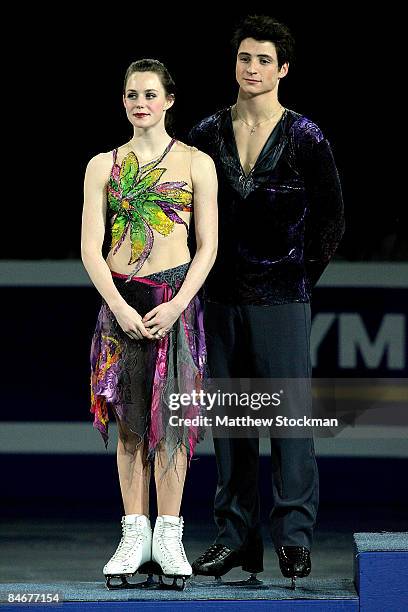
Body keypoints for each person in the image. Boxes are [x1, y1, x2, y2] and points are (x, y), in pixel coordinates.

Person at [188, 15, 345, 588]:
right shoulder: (205, 133)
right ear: (235, 65)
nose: (251, 69)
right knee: (230, 424)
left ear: (282, 69)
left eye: (263, 60)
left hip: (282, 297)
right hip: (220, 297)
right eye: (244, 59)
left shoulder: (306, 136)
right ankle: (235, 540)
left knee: (288, 422)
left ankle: (295, 539)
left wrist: (298, 278)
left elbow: (332, 219)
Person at [81, 58, 218, 589]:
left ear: (169, 100)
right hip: (122, 302)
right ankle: (134, 534)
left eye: (151, 94)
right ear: (124, 102)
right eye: (132, 94)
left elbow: (207, 247)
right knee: (132, 424)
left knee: (173, 426)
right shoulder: (103, 165)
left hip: (173, 299)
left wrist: (180, 302)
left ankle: (170, 534)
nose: (141, 102)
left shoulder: (195, 164)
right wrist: (117, 305)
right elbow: (92, 249)